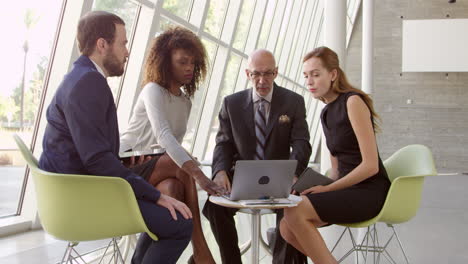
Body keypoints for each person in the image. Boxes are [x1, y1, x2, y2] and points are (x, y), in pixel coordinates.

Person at [38, 11, 193, 264]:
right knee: (180, 223)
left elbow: (91, 149)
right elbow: (97, 159)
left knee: (170, 192)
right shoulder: (88, 83)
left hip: (81, 185)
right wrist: (155, 196)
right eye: (123, 43)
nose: (127, 52)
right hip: (84, 196)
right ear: (102, 44)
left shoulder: (80, 77)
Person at [119, 26, 224, 264]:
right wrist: (199, 175)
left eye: (193, 63)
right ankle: (200, 249)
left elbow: (171, 146)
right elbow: (164, 137)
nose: (189, 68)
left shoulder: (184, 101)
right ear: (166, 62)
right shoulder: (152, 90)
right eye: (182, 62)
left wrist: (192, 165)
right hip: (128, 166)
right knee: (181, 169)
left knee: (172, 190)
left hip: (154, 170)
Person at [279, 46, 391, 264]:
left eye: (316, 74)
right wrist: (310, 186)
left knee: (294, 213)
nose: (309, 81)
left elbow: (371, 166)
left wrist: (327, 189)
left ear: (333, 74)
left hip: (370, 191)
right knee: (286, 227)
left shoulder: (353, 102)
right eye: (306, 76)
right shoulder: (326, 113)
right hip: (348, 188)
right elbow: (337, 170)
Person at [202, 49, 312, 264]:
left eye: (268, 73)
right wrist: (220, 170)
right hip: (241, 176)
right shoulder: (231, 103)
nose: (262, 80)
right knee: (213, 207)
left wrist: (293, 172)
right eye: (256, 74)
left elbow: (301, 143)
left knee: (292, 209)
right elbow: (223, 143)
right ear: (247, 74)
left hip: (280, 177)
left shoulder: (293, 102)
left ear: (276, 73)